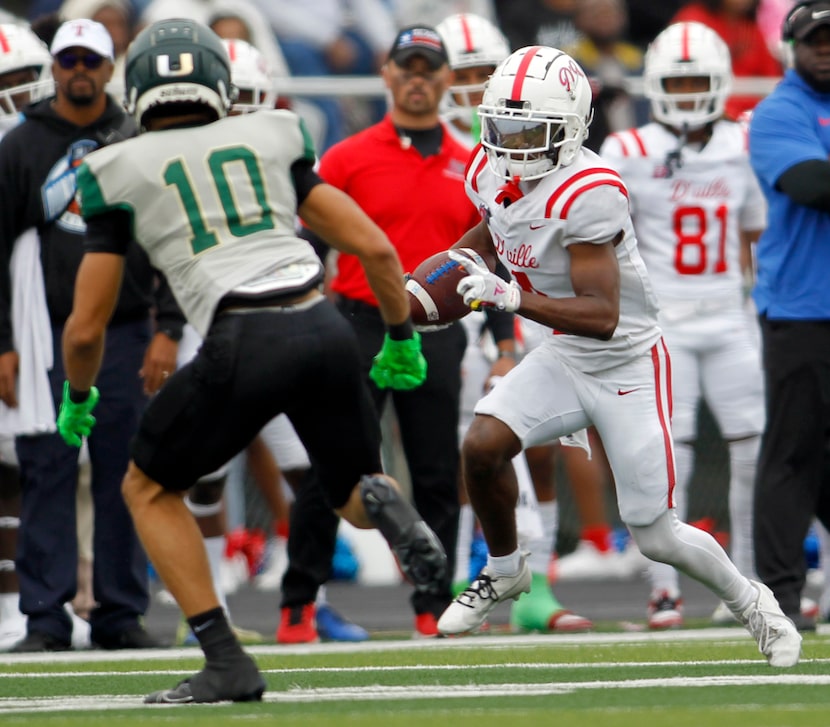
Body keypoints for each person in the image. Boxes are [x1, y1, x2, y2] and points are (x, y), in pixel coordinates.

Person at [61, 18, 445, 703]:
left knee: (146, 487)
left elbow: (87, 326)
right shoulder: (271, 133)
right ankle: (389, 501)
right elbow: (378, 249)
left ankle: (225, 657)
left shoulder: (113, 168)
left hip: (241, 335)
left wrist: (80, 394)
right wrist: (401, 336)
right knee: (354, 496)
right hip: (322, 322)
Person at [434, 44, 802, 669]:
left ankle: (755, 603)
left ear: (573, 129)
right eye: (505, 128)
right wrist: (451, 268)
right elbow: (496, 227)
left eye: (533, 132)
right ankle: (505, 569)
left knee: (656, 534)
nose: (515, 145)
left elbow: (602, 315)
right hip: (561, 355)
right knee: (482, 447)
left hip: (626, 361)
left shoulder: (590, 189)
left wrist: (508, 295)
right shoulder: (489, 169)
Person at [0, 18, 183, 653]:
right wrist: (4, 342)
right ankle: (45, 618)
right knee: (45, 469)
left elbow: (169, 242)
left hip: (129, 330)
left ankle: (119, 613)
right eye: (68, 58)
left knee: (124, 471)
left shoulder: (136, 138)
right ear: (54, 67)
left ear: (110, 68)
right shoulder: (21, 145)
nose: (79, 69)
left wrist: (171, 329)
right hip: (44, 330)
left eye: (91, 59)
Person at [307, 24, 481, 638]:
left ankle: (434, 607)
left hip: (436, 328)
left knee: (436, 471)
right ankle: (302, 602)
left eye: (428, 68)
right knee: (338, 467)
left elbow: (494, 255)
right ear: (386, 75)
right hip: (357, 324)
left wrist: (507, 342)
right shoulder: (348, 156)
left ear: (446, 79)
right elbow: (310, 239)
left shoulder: (469, 163)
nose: (416, 79)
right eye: (406, 67)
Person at [600, 21, 766, 629]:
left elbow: (753, 235)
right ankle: (664, 588)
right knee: (670, 456)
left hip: (727, 314)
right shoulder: (629, 149)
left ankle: (747, 580)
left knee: (752, 451)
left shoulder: (742, 143)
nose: (691, 91)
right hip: (664, 320)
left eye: (700, 80)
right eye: (679, 81)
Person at [436, 11, 593, 634]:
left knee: (538, 446)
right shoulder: (447, 149)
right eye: (463, 74)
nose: (472, 86)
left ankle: (537, 578)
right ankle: (455, 577)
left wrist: (504, 328)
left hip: (515, 304)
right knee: (468, 447)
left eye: (483, 74)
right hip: (455, 307)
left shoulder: (524, 148)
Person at [748, 0, 830, 632]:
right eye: (815, 39)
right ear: (793, 46)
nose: (826, 48)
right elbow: (809, 183)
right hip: (802, 307)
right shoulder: (781, 110)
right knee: (792, 454)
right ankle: (779, 596)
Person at [671, 0, 783, 118]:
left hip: (749, 120)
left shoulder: (752, 29)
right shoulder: (692, 20)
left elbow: (771, 82)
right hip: (699, 115)